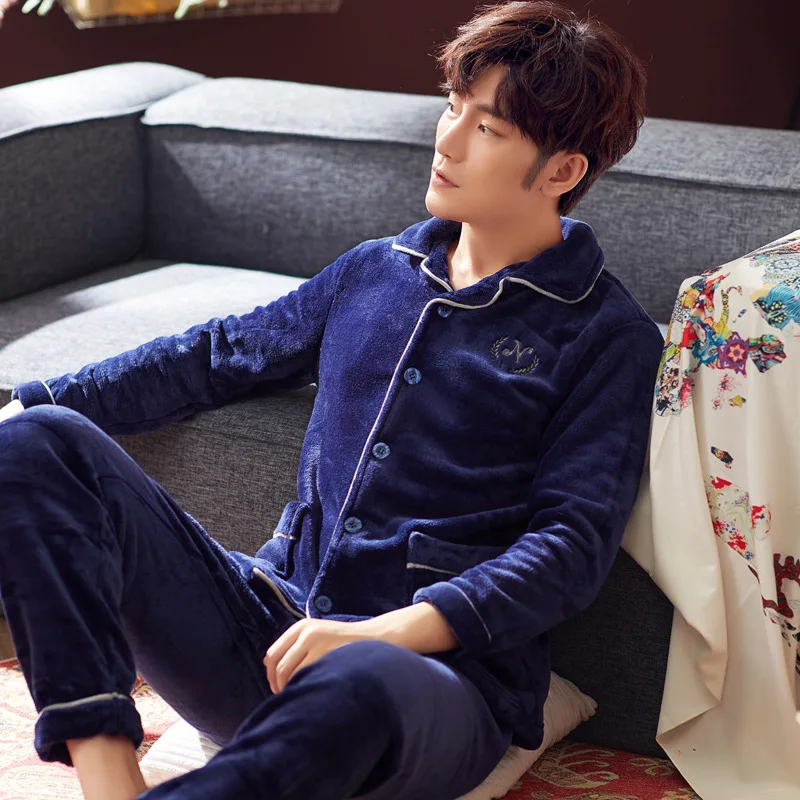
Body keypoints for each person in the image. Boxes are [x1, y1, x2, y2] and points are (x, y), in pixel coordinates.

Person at [0, 2, 662, 799]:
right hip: (265, 630)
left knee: (359, 683)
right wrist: (29, 402)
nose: (448, 141)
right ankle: (111, 783)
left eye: (488, 128)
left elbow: (568, 548)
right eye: (454, 106)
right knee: (34, 440)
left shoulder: (607, 337)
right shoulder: (373, 271)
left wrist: (383, 635)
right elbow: (215, 355)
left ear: (561, 172)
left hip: (425, 683)